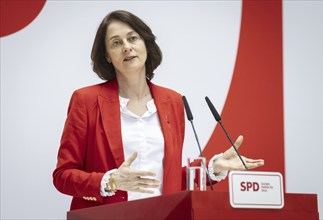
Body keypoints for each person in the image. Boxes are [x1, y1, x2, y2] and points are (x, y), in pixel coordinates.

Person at [53, 10, 264, 211]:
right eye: (116, 43)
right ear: (107, 56)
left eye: (133, 38)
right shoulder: (86, 100)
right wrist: (111, 181)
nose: (127, 47)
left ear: (145, 43)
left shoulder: (171, 101)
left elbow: (167, 180)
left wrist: (212, 168)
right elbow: (63, 175)